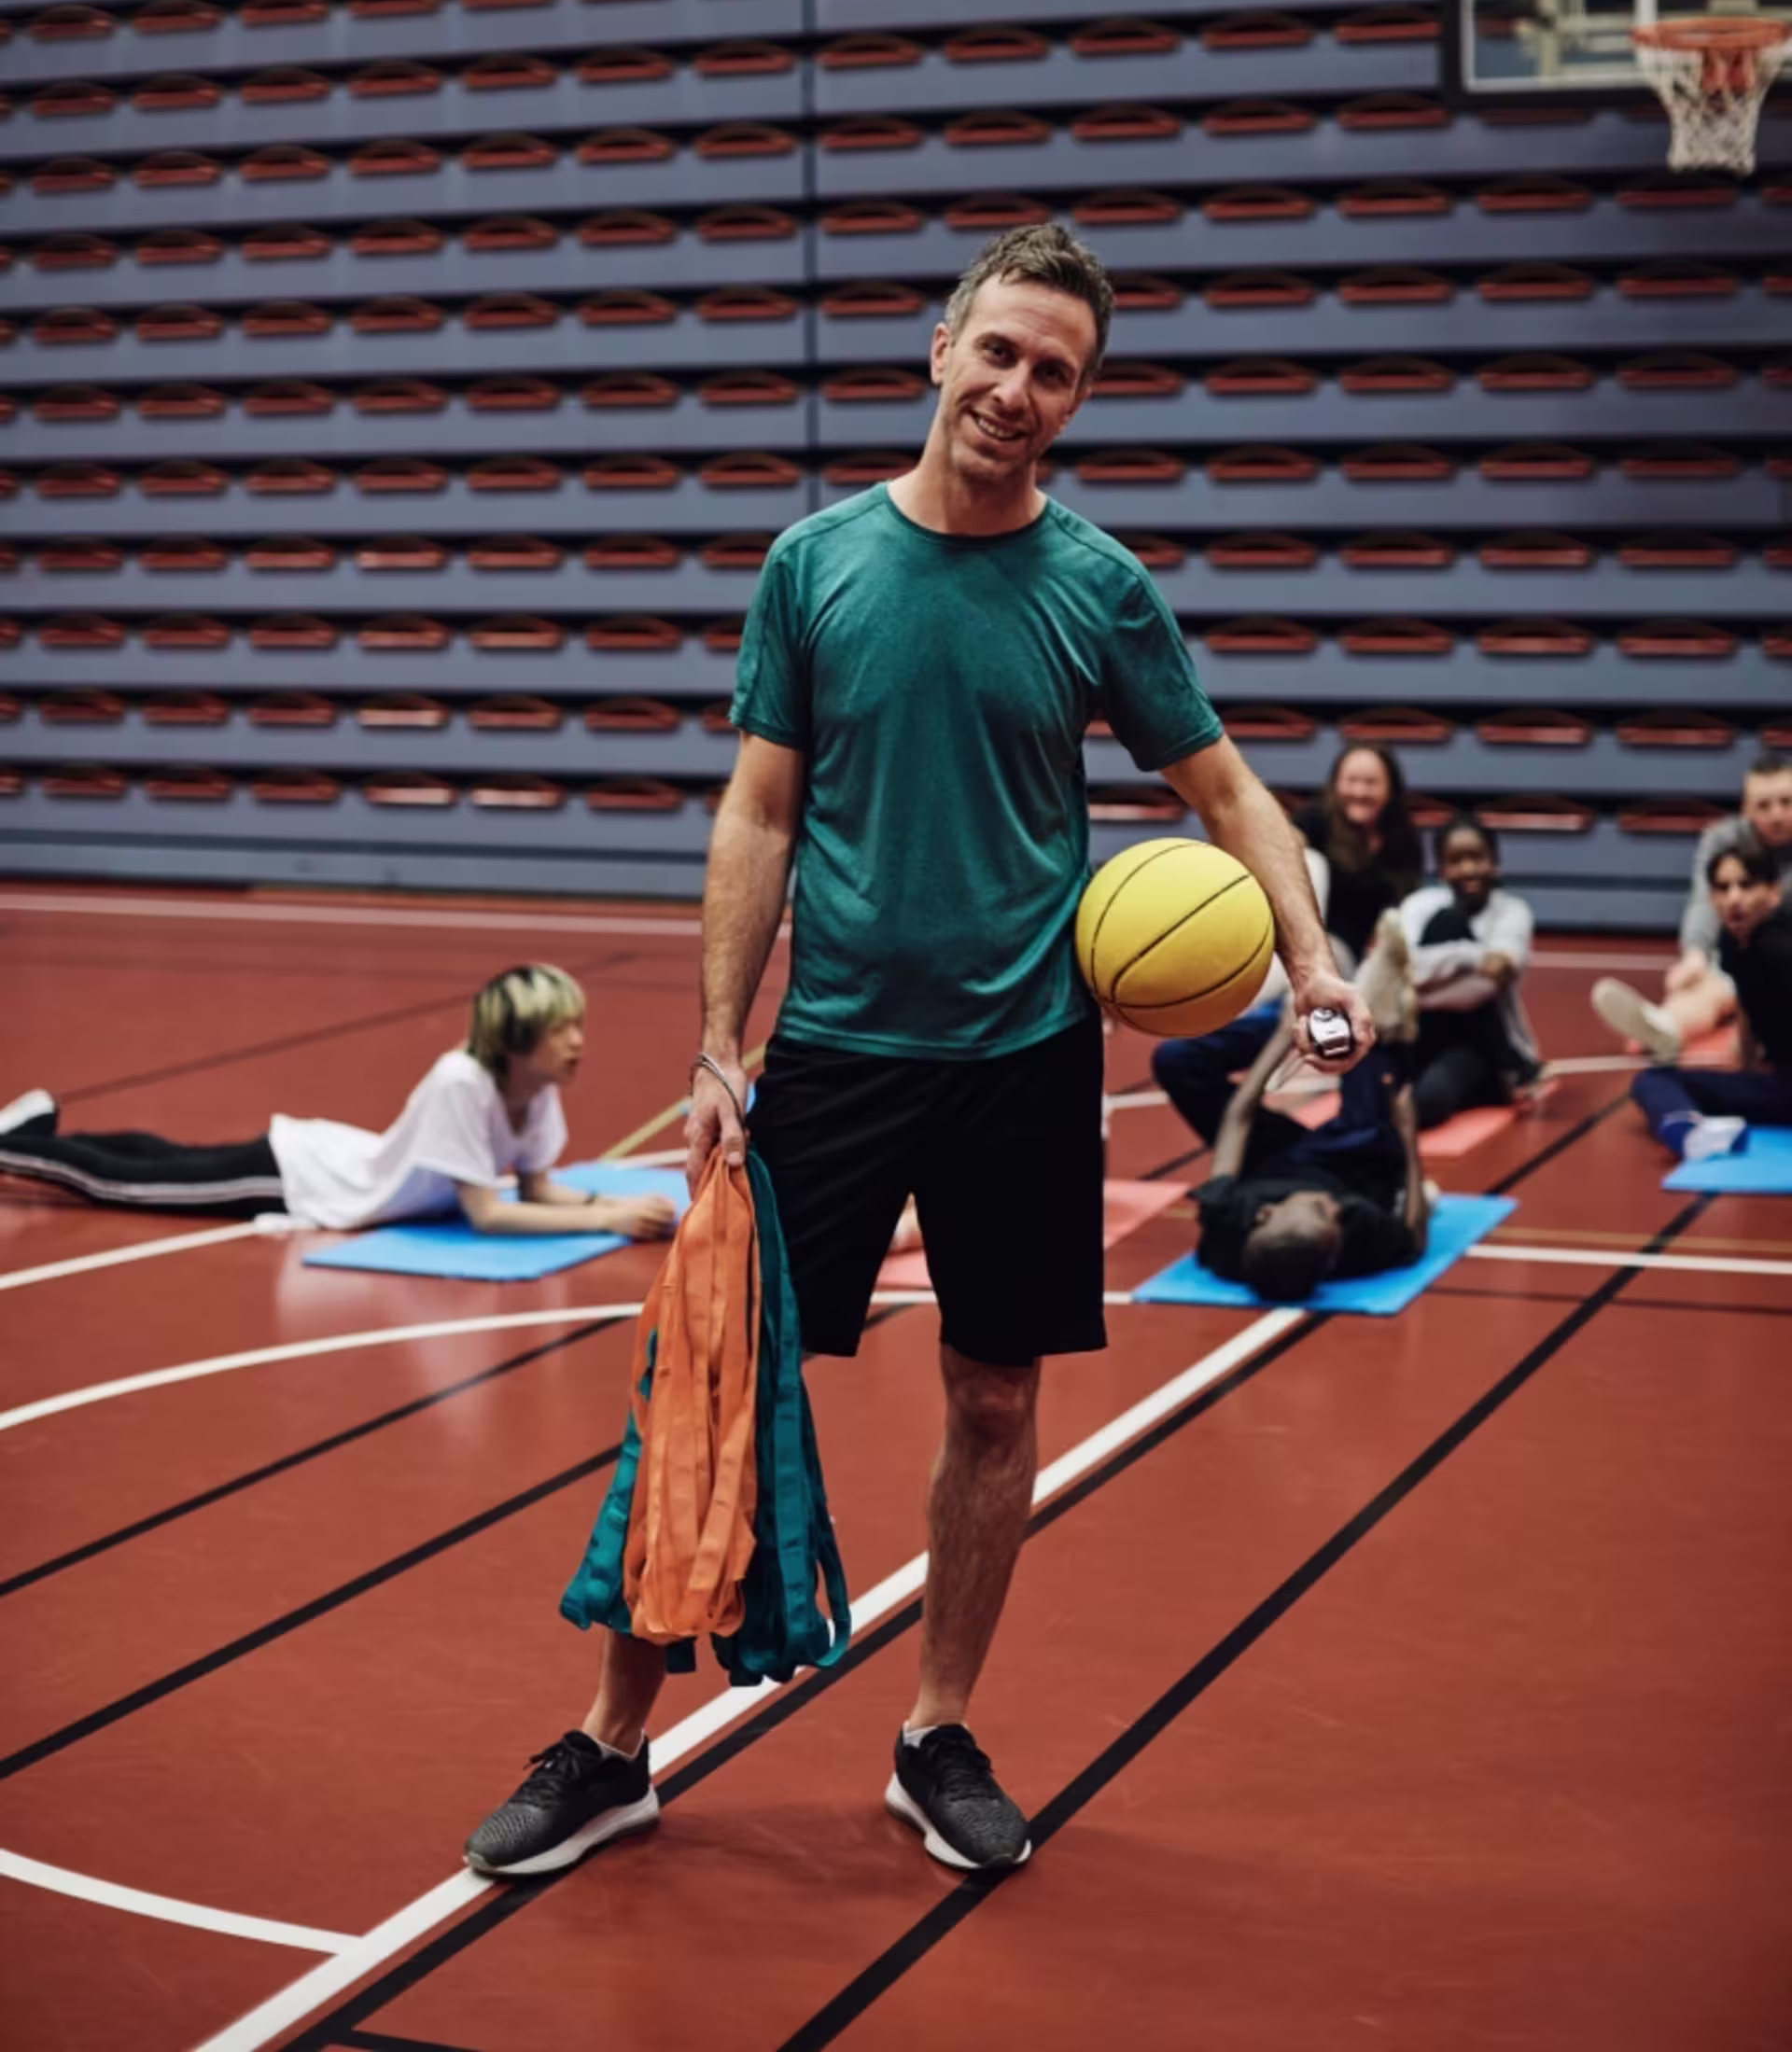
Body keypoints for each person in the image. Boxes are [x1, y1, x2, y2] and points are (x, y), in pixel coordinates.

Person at [462, 219, 1371, 1884]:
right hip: (833, 1052)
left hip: (1026, 1055)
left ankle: (934, 1731)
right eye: (1003, 353)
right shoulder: (813, 565)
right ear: (940, 351)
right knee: (716, 1392)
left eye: (1059, 374)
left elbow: (1231, 792)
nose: (1021, 391)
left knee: (997, 1391)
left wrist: (1312, 960)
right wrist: (719, 1047)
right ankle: (610, 1747)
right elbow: (760, 809)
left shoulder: (1101, 589)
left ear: (1080, 403)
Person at [0, 964, 676, 1242]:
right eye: (564, 1030)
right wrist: (610, 1218)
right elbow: (489, 1212)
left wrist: (603, 1205)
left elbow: (534, 1186)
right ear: (520, 1040)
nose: (580, 1043)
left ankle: (30, 1130)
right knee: (122, 1184)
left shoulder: (535, 1088)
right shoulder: (461, 1081)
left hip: (329, 1152)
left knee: (163, 1157)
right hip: (300, 1177)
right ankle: (14, 1145)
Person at [1189, 915, 1428, 1303]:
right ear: (1333, 1256)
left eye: (1319, 1210)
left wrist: (1285, 1034)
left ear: (1264, 1214)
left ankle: (1330, 1000)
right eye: (1333, 1222)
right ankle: (1375, 1002)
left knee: (1177, 1062)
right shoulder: (1354, 1227)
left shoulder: (1226, 1219)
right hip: (1353, 1161)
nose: (1333, 1209)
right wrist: (1409, 1138)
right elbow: (1412, 1240)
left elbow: (1238, 1115)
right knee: (1369, 1066)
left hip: (1275, 1158)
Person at [1593, 752, 1792, 1061]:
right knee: (1714, 979)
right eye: (1764, 805)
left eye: (1787, 802)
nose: (1777, 814)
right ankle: (1665, 1026)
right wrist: (1695, 955)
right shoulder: (1722, 839)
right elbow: (1705, 899)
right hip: (1748, 951)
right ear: (1745, 809)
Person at [1150, 843, 1330, 1147]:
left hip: (1294, 1002)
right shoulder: (1221, 876)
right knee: (1176, 1060)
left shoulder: (1310, 865)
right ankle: (1284, 1152)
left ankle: (1282, 1154)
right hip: (1263, 1000)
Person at [1629, 836, 1792, 1162]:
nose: (1734, 898)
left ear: (1773, 892)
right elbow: (1746, 1007)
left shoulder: (1780, 947)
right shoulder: (1733, 942)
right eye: (1723, 887)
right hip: (1779, 1083)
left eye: (1746, 886)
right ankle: (1690, 1129)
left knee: (1654, 1080)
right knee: (1655, 1079)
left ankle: (1688, 1131)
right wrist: (1746, 1069)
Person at [1398, 817, 1543, 1127]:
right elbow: (1401, 969)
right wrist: (1473, 957)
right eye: (1455, 860)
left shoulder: (1513, 911)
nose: (1467, 870)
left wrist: (1415, 992)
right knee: (1370, 1091)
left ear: (1494, 863)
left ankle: (1508, 1073)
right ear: (1440, 868)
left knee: (1427, 1101)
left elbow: (1486, 987)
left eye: (1477, 858)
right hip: (1419, 1035)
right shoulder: (1419, 905)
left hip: (1479, 1044)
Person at [1294, 744, 1424, 968]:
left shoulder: (1404, 839)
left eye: (1371, 783)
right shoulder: (1314, 820)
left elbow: (1403, 907)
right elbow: (1281, 854)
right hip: (1316, 949)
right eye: (1351, 781)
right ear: (1336, 783)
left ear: (1391, 788)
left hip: (1371, 960)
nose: (1360, 792)